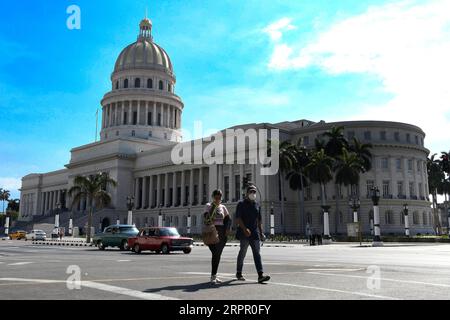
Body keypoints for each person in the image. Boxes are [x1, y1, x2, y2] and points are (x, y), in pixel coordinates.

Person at [235, 185, 270, 283]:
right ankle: (239, 272)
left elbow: (259, 221)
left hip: (255, 233)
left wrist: (261, 233)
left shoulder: (257, 205)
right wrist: (244, 229)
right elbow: (238, 219)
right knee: (243, 252)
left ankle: (260, 275)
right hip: (244, 233)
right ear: (247, 193)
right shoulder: (241, 204)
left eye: (254, 192)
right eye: (251, 192)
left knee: (257, 254)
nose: (253, 194)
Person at [204, 189, 231, 285]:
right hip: (212, 232)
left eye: (219, 197)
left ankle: (214, 275)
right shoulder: (208, 206)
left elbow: (228, 219)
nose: (218, 199)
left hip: (221, 233)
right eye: (216, 197)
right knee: (215, 253)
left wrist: (227, 229)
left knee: (218, 255)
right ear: (213, 197)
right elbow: (207, 219)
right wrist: (214, 206)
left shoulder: (223, 207)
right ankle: (213, 276)